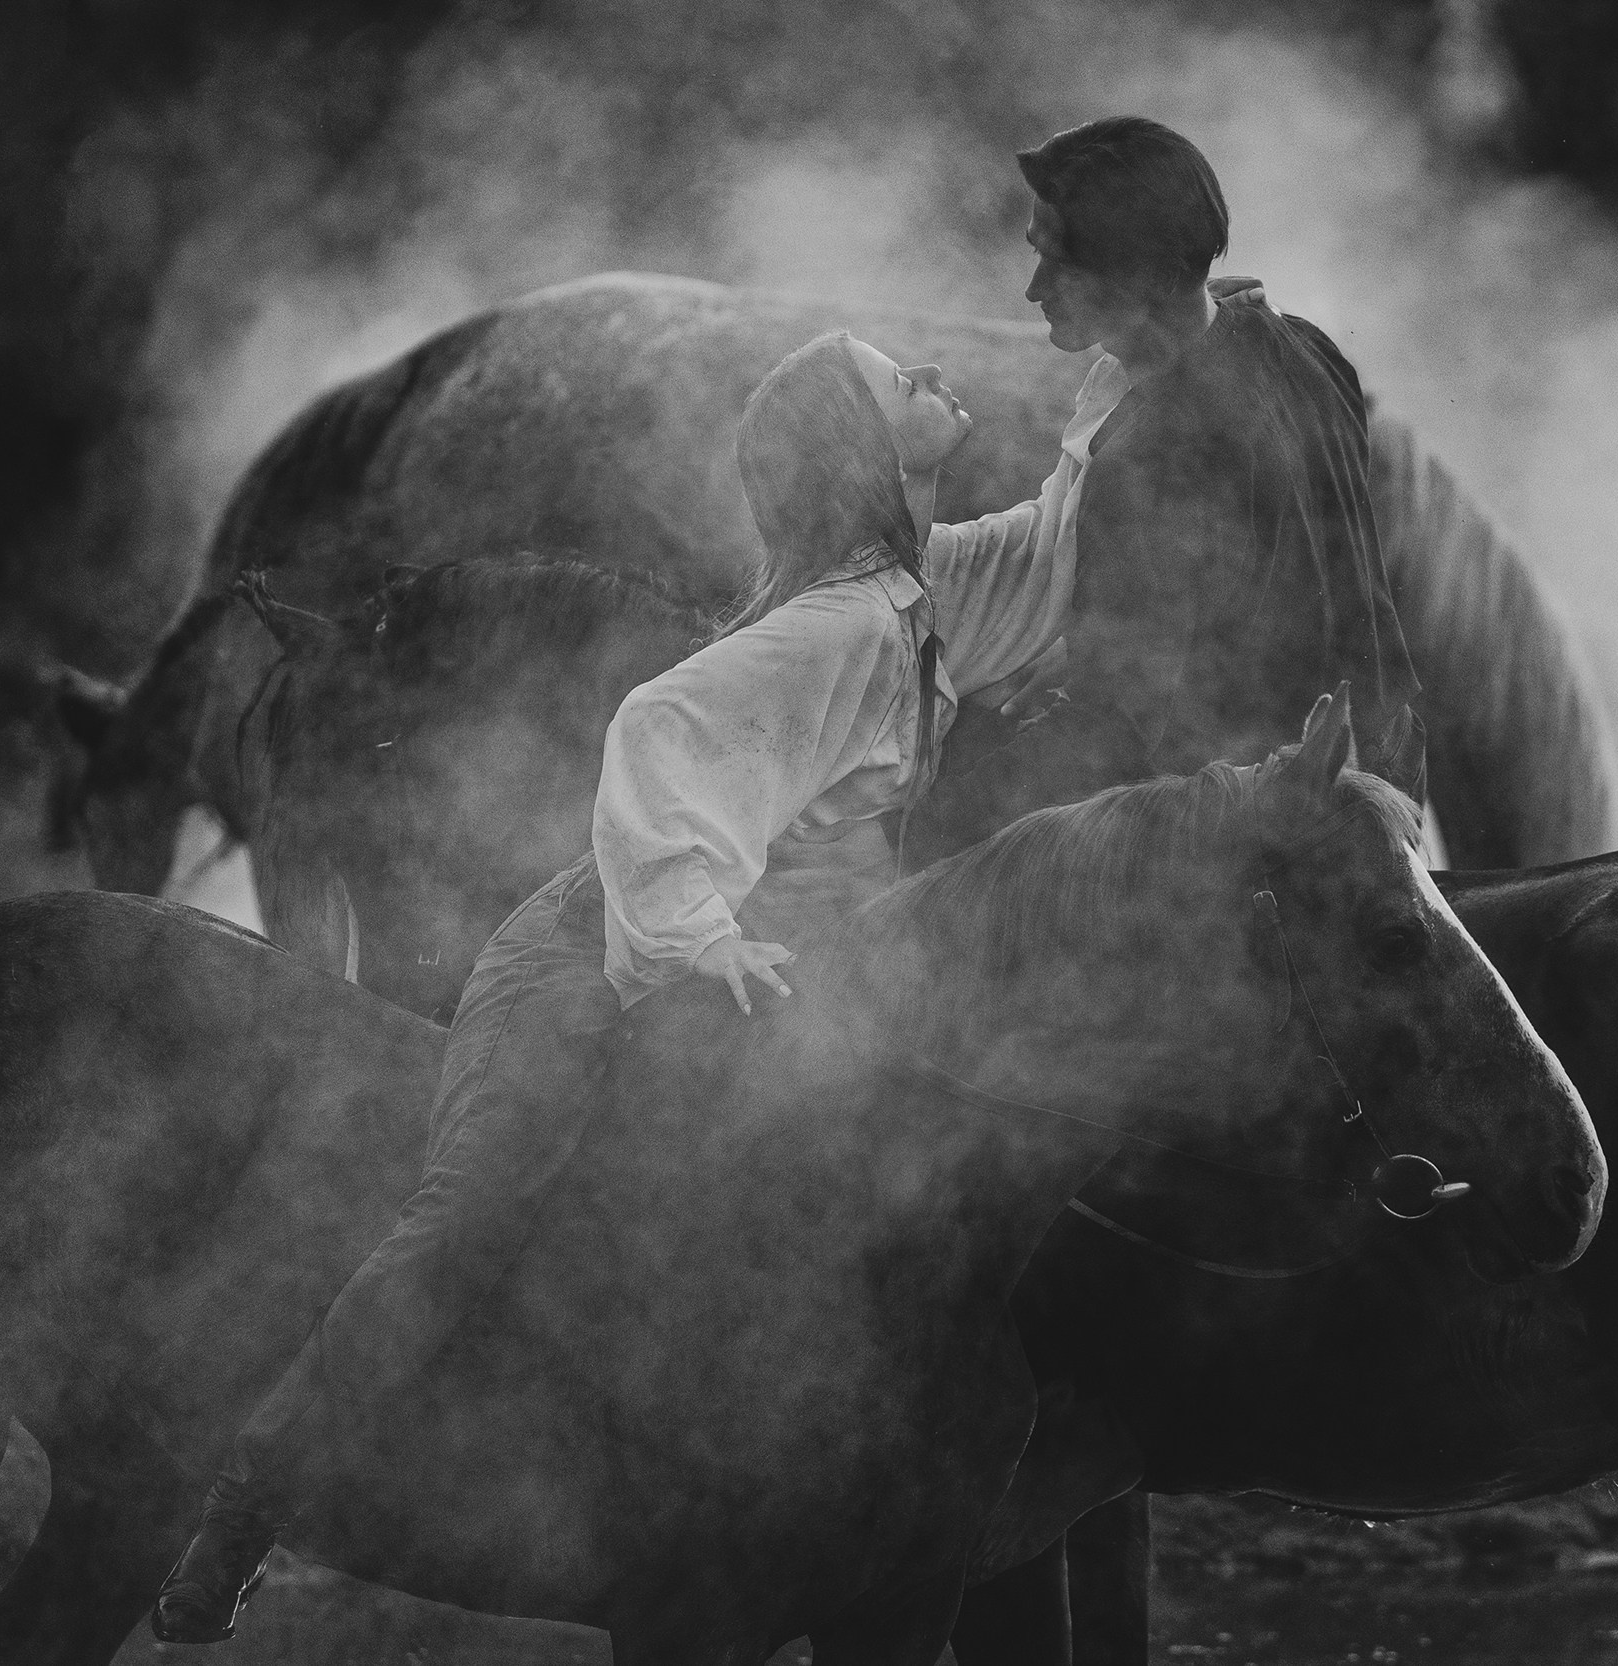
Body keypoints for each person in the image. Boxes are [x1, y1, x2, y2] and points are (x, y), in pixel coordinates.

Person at [154, 330, 1074, 1642]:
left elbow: (1061, 533)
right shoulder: (827, 627)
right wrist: (707, 937)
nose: (928, 373)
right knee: (472, 1205)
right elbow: (656, 742)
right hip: (581, 958)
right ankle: (252, 1501)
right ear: (864, 449)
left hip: (756, 948)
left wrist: (1146, 371)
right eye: (894, 379)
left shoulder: (924, 585)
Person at [908, 115, 1425, 862]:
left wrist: (944, 801)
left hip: (1270, 833)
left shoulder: (1153, 452)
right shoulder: (1306, 348)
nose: (1033, 290)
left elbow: (1116, 723)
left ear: (1146, 277)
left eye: (1060, 264)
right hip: (1385, 784)